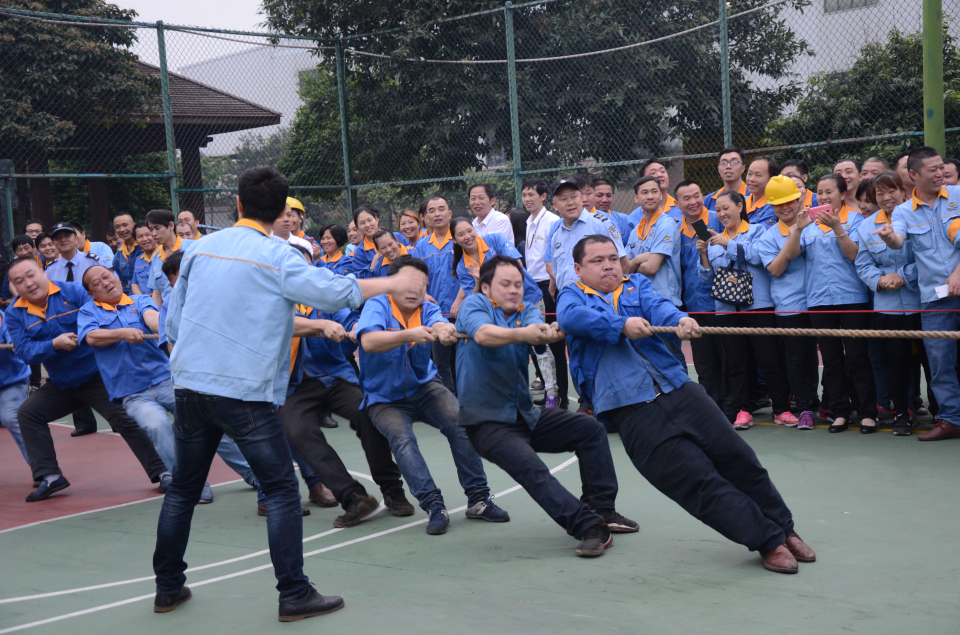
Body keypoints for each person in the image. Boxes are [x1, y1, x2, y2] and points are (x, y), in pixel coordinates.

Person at [153, 165, 424, 621]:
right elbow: (334, 292)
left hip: (189, 387)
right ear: (283, 210)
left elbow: (175, 323)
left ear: (238, 203)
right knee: (281, 490)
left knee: (182, 490)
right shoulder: (278, 256)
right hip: (242, 393)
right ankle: (294, 593)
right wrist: (393, 282)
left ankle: (167, 588)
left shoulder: (198, 249)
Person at [558, 234, 816, 574]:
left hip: (680, 389)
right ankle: (768, 541)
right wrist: (620, 325)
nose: (608, 266)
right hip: (633, 413)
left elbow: (659, 306)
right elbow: (572, 319)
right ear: (578, 269)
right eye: (597, 260)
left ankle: (785, 529)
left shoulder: (635, 285)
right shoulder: (571, 297)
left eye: (612, 258)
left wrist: (679, 319)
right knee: (698, 484)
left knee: (740, 459)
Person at [456, 255, 637, 557]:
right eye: (505, 284)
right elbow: (484, 334)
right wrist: (524, 334)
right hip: (487, 423)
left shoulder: (525, 309)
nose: (514, 290)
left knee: (590, 430)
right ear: (485, 288)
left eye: (518, 284)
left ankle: (602, 509)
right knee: (532, 469)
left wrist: (544, 331)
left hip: (525, 414)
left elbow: (534, 328)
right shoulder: (474, 305)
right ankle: (590, 527)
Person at [78, 264, 263, 505]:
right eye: (96, 283)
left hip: (168, 380)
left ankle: (254, 474)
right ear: (91, 293)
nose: (104, 282)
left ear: (114, 276)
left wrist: (161, 326)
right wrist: (122, 333)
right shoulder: (88, 311)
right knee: (157, 425)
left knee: (210, 422)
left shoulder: (139, 301)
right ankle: (192, 485)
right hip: (133, 393)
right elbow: (91, 336)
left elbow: (154, 320)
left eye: (106, 276)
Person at [356, 255, 509, 536]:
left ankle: (478, 499)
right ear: (391, 284)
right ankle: (434, 505)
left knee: (460, 424)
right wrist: (408, 334)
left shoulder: (427, 307)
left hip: (425, 387)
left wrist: (445, 330)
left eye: (422, 284)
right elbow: (368, 341)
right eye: (408, 283)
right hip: (384, 398)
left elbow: (439, 325)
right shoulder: (377, 305)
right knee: (402, 439)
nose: (415, 290)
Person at [6, 258, 167, 501]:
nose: (28, 283)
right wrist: (54, 344)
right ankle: (50, 475)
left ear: (42, 271)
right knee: (28, 413)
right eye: (19, 281)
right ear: (13, 286)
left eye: (31, 275)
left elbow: (99, 319)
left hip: (98, 376)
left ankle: (163, 471)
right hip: (62, 384)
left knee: (123, 418)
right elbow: (24, 352)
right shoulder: (14, 313)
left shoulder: (74, 292)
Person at [281, 246, 415, 524]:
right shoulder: (273, 301)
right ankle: (354, 497)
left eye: (306, 267)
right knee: (298, 432)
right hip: (292, 386)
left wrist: (356, 328)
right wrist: (320, 326)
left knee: (367, 416)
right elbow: (282, 326)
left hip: (333, 377)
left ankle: (392, 489)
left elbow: (347, 316)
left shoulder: (322, 296)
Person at [875, 147, 960, 441]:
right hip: (934, 300)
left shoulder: (958, 195)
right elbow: (898, 240)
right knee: (939, 362)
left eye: (942, 167)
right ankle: (951, 420)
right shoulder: (902, 212)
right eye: (933, 169)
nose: (940, 173)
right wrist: (889, 237)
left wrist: (958, 272)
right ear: (914, 174)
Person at [698, 191, 793, 429]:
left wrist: (728, 244)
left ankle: (781, 408)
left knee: (769, 358)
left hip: (758, 305)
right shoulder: (713, 239)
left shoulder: (757, 231)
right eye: (718, 210)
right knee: (734, 362)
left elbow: (758, 257)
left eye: (726, 208)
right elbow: (707, 278)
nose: (722, 214)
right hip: (726, 309)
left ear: (740, 206)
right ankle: (742, 410)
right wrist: (703, 254)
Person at [803, 173, 876, 432]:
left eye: (829, 192)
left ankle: (868, 412)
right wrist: (797, 228)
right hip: (818, 299)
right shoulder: (808, 225)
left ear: (843, 195)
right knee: (831, 360)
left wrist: (837, 227)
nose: (823, 197)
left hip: (852, 297)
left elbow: (855, 255)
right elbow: (792, 255)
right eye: (820, 192)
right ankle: (840, 412)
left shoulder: (856, 220)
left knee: (858, 357)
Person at [856, 171, 922, 436]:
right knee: (896, 362)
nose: (886, 198)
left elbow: (928, 256)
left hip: (922, 302)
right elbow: (863, 264)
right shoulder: (866, 226)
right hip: (888, 307)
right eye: (879, 194)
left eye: (891, 191)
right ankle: (902, 414)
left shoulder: (917, 216)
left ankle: (944, 414)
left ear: (903, 191)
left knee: (933, 360)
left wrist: (904, 277)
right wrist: (881, 281)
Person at [756, 175, 821, 431]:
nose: (785, 208)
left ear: (799, 199)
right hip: (790, 306)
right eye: (778, 204)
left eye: (789, 201)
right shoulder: (768, 237)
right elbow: (775, 269)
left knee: (817, 357)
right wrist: (795, 233)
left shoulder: (817, 224)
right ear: (772, 207)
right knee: (796, 358)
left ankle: (817, 401)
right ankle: (803, 407)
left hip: (819, 301)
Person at [674, 180, 723, 407]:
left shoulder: (717, 218)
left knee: (727, 357)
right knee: (703, 361)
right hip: (694, 305)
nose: (693, 201)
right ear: (677, 204)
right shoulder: (675, 230)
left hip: (721, 303)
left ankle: (733, 405)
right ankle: (711, 405)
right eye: (686, 198)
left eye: (697, 195)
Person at [625, 175, 683, 363]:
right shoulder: (636, 230)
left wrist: (635, 263)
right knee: (647, 359)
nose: (649, 196)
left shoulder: (666, 224)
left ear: (661, 195)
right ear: (636, 198)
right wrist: (638, 260)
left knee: (670, 355)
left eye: (654, 191)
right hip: (640, 302)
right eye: (644, 192)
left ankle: (681, 384)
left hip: (663, 301)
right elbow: (625, 269)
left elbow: (651, 267)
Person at [522, 179, 567, 409]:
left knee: (554, 341)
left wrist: (552, 284)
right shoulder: (529, 222)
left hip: (548, 285)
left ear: (543, 196)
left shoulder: (552, 221)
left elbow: (554, 256)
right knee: (537, 340)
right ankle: (550, 391)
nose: (527, 199)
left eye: (531, 194)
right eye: (524, 195)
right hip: (532, 286)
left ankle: (561, 398)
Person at [545, 177, 627, 296]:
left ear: (581, 199)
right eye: (563, 199)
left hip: (599, 298)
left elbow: (623, 263)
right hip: (568, 300)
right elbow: (557, 271)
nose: (570, 203)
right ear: (555, 205)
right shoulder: (556, 236)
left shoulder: (600, 224)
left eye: (574, 197)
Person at [415, 197, 461, 393]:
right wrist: (423, 294)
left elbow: (471, 273)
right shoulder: (421, 246)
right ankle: (450, 400)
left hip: (461, 311)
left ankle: (465, 400)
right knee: (440, 362)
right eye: (432, 211)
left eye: (441, 209)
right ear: (426, 217)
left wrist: (461, 299)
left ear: (449, 214)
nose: (437, 214)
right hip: (435, 315)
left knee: (462, 361)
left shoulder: (460, 240)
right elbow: (416, 275)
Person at [450, 217, 542, 308]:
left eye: (470, 231)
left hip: (529, 299)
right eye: (461, 234)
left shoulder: (495, 239)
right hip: (500, 311)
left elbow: (517, 265)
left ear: (475, 229)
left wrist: (485, 276)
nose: (467, 236)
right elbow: (474, 300)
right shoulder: (462, 268)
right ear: (454, 240)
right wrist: (478, 282)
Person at [0, 307, 31, 466]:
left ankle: (45, 470)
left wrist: (15, 344)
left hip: (10, 382)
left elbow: (15, 342)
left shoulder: (4, 319)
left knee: (13, 419)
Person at [346, 204, 408, 279]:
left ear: (376, 220)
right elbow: (362, 280)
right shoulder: (359, 253)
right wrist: (374, 262)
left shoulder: (398, 237)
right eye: (362, 223)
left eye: (369, 220)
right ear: (357, 227)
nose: (367, 225)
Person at [146, 209, 193, 307]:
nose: (154, 234)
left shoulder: (192, 247)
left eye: (157, 228)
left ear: (171, 225)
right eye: (150, 230)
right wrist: (158, 314)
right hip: (168, 311)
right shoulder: (156, 257)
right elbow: (157, 294)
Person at [629, 159, 679, 224]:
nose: (659, 175)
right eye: (653, 173)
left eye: (663, 171)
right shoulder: (633, 219)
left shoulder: (681, 208)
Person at [705, 147, 748, 211]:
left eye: (734, 162)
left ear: (743, 168)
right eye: (724, 163)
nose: (728, 166)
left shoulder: (753, 195)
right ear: (718, 169)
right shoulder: (709, 200)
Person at [744, 156, 778, 227]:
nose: (751, 179)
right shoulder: (740, 201)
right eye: (749, 174)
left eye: (758, 175)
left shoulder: (773, 208)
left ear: (771, 179)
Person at [112, 213, 141, 296]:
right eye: (117, 227)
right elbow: (124, 281)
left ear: (134, 225)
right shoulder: (120, 251)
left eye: (125, 225)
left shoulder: (144, 244)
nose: (121, 229)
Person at [131, 222, 157, 296]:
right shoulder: (138, 260)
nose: (145, 239)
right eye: (140, 236)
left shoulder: (164, 254)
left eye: (148, 234)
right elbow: (134, 283)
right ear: (135, 241)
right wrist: (142, 298)